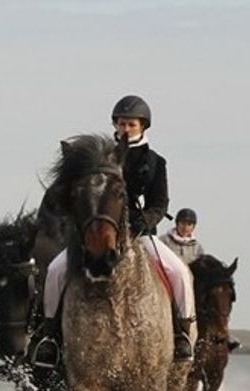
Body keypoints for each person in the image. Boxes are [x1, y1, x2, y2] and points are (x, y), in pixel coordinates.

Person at [30, 95, 196, 372]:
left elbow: (160, 202)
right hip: (97, 233)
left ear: (143, 126)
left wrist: (142, 222)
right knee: (57, 271)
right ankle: (49, 336)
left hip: (140, 234)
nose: (126, 128)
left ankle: (181, 333)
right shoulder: (99, 157)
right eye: (121, 123)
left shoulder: (155, 162)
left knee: (178, 273)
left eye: (131, 123)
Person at [160, 208, 240, 351]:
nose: (186, 227)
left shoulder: (197, 247)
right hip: (168, 283)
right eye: (183, 223)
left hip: (192, 286)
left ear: (193, 227)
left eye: (190, 224)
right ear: (177, 224)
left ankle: (223, 333)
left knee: (216, 300)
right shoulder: (164, 242)